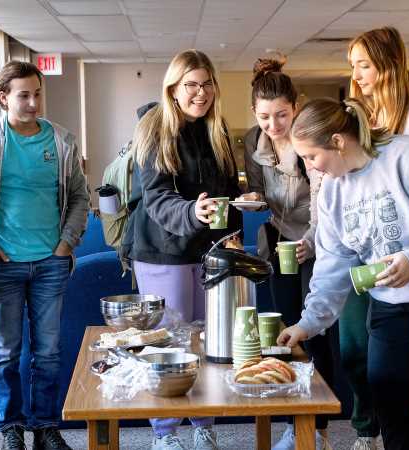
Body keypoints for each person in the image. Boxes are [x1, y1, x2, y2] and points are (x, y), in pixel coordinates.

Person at [278, 97, 409, 450]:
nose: (311, 168)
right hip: (391, 295)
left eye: (311, 156)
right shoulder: (334, 190)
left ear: (337, 141)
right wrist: (308, 323)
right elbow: (333, 262)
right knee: (387, 391)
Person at [0, 61, 88, 450]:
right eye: (23, 95)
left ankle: (45, 427)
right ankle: (10, 427)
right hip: (0, 262)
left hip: (50, 262)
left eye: (37, 94)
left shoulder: (61, 140)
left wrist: (66, 244)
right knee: (5, 352)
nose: (32, 103)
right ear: (3, 97)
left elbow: (79, 195)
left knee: (48, 352)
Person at [123, 49, 243, 450]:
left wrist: (235, 223)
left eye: (207, 83)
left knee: (209, 341)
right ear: (173, 88)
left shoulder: (217, 128)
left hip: (208, 250)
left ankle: (203, 422)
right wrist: (193, 210)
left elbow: (228, 191)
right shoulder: (154, 128)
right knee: (170, 341)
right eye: (191, 84)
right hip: (162, 250)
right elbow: (156, 198)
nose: (200, 92)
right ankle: (165, 433)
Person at [340, 26, 409, 450]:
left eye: (364, 65)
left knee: (403, 367)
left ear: (389, 64)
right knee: (354, 346)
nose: (358, 75)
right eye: (354, 66)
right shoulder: (368, 115)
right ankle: (372, 429)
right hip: (369, 246)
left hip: (408, 254)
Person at [237, 56, 334, 450]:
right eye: (265, 117)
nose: (274, 125)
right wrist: (252, 200)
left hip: (316, 239)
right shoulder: (250, 141)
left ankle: (320, 430)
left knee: (316, 334)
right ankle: (293, 423)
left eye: (281, 115)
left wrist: (311, 241)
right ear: (254, 113)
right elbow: (260, 191)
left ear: (296, 107)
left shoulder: (307, 138)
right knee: (283, 331)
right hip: (278, 242)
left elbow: (322, 200)